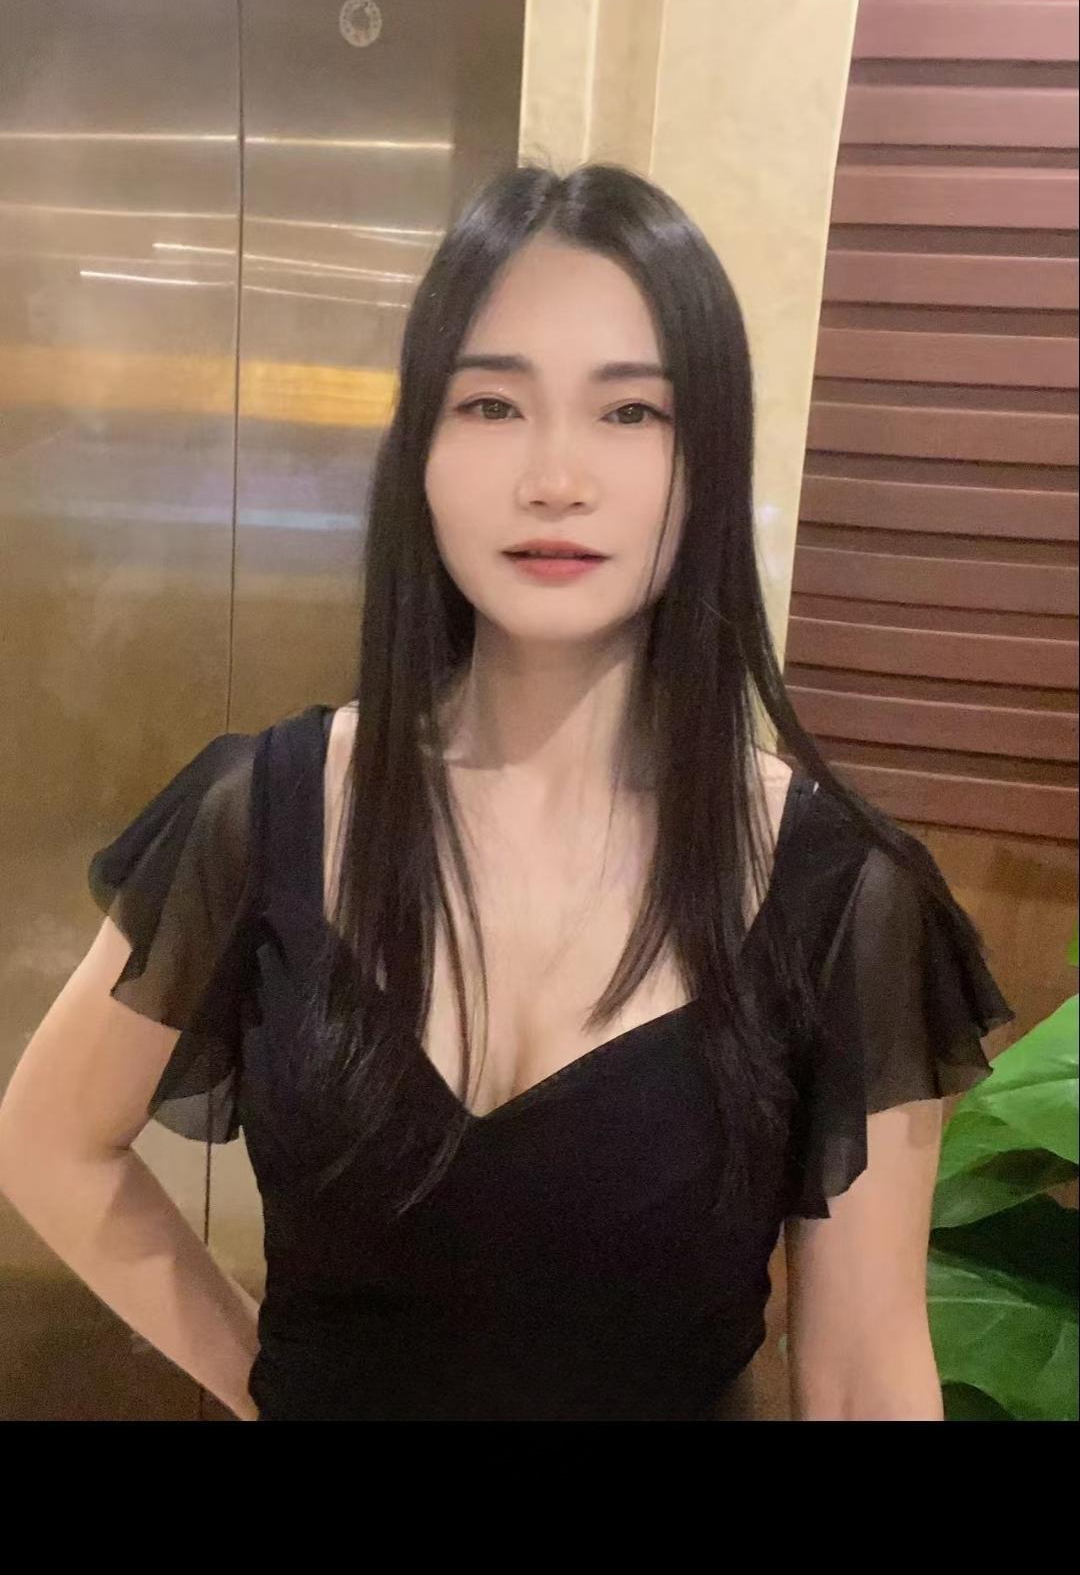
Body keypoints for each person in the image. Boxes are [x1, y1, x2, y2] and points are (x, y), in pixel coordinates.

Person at [0, 162, 1014, 1421]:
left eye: (630, 412)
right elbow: (48, 1141)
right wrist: (260, 1378)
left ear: (709, 460)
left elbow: (863, 1376)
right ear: (419, 451)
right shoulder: (261, 812)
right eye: (491, 404)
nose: (555, 476)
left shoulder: (844, 893)